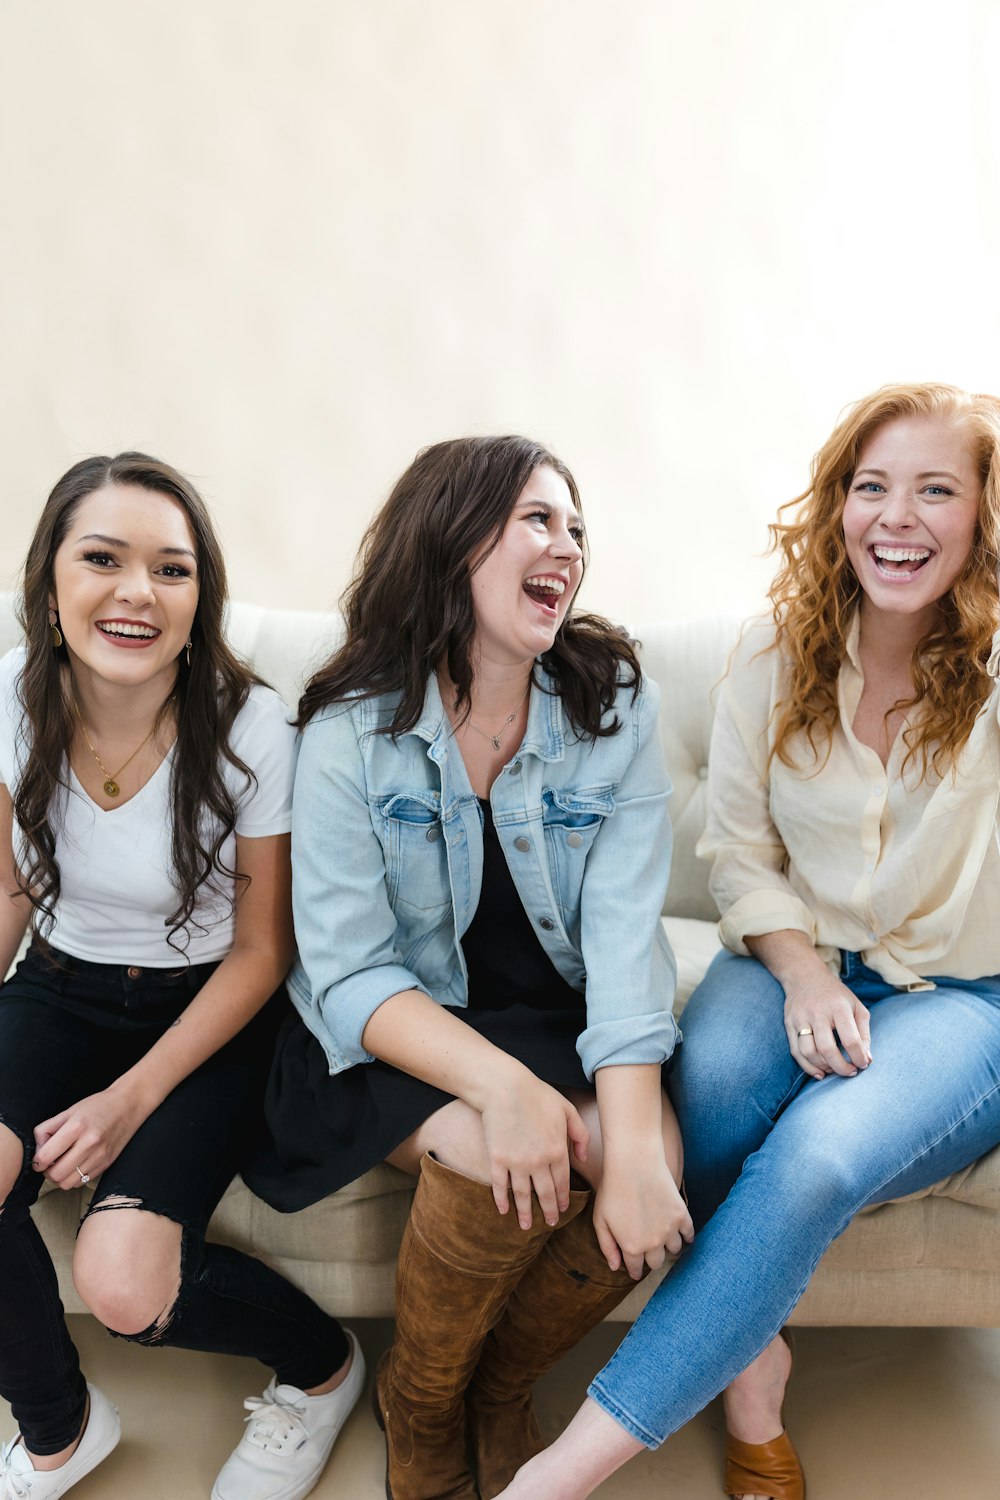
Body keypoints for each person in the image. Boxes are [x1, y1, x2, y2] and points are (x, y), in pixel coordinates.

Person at [494, 382, 1000, 1500]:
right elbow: (734, 850)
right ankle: (748, 1352)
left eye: (934, 490)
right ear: (836, 507)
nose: (896, 517)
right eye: (870, 487)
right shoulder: (773, 651)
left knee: (817, 1156)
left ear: (982, 517)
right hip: (787, 956)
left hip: (964, 999)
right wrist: (804, 971)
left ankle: (559, 1476)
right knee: (710, 1095)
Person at [246, 434, 691, 1500]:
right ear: (451, 536)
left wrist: (629, 1147)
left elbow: (630, 944)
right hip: (397, 1025)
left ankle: (500, 1387)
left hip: (552, 1017)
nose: (567, 547)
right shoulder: (353, 724)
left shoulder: (612, 706)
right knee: (506, 1164)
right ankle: (423, 1400)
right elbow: (348, 972)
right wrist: (506, 1090)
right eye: (539, 519)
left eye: (577, 528)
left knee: (652, 1166)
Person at [0, 454, 365, 1500]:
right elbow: (12, 898)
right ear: (51, 578)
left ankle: (324, 1371)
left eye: (172, 569)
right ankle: (62, 1428)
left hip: (214, 1009)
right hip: (61, 984)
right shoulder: (11, 704)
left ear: (200, 597)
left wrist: (129, 1098)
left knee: (121, 1286)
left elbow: (263, 950)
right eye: (102, 559)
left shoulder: (255, 727)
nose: (135, 593)